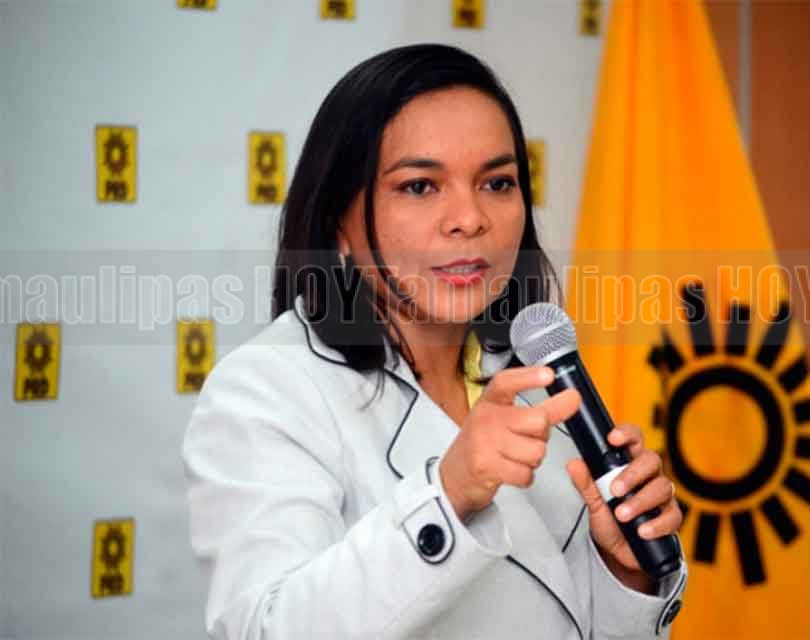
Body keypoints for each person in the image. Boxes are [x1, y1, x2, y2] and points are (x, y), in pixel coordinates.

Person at [182, 43, 687, 640]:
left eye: (497, 182)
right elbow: (266, 630)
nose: (469, 218)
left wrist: (624, 573)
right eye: (421, 186)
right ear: (338, 221)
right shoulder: (268, 388)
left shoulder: (531, 373)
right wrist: (448, 496)